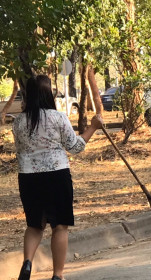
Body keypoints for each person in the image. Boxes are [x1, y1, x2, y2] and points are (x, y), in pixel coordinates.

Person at [13, 75, 103, 280]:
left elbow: (21, 150)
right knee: (60, 226)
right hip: (56, 176)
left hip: (28, 178)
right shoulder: (57, 117)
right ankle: (58, 275)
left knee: (35, 225)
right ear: (48, 94)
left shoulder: (18, 122)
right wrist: (93, 128)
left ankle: (27, 263)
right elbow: (75, 147)